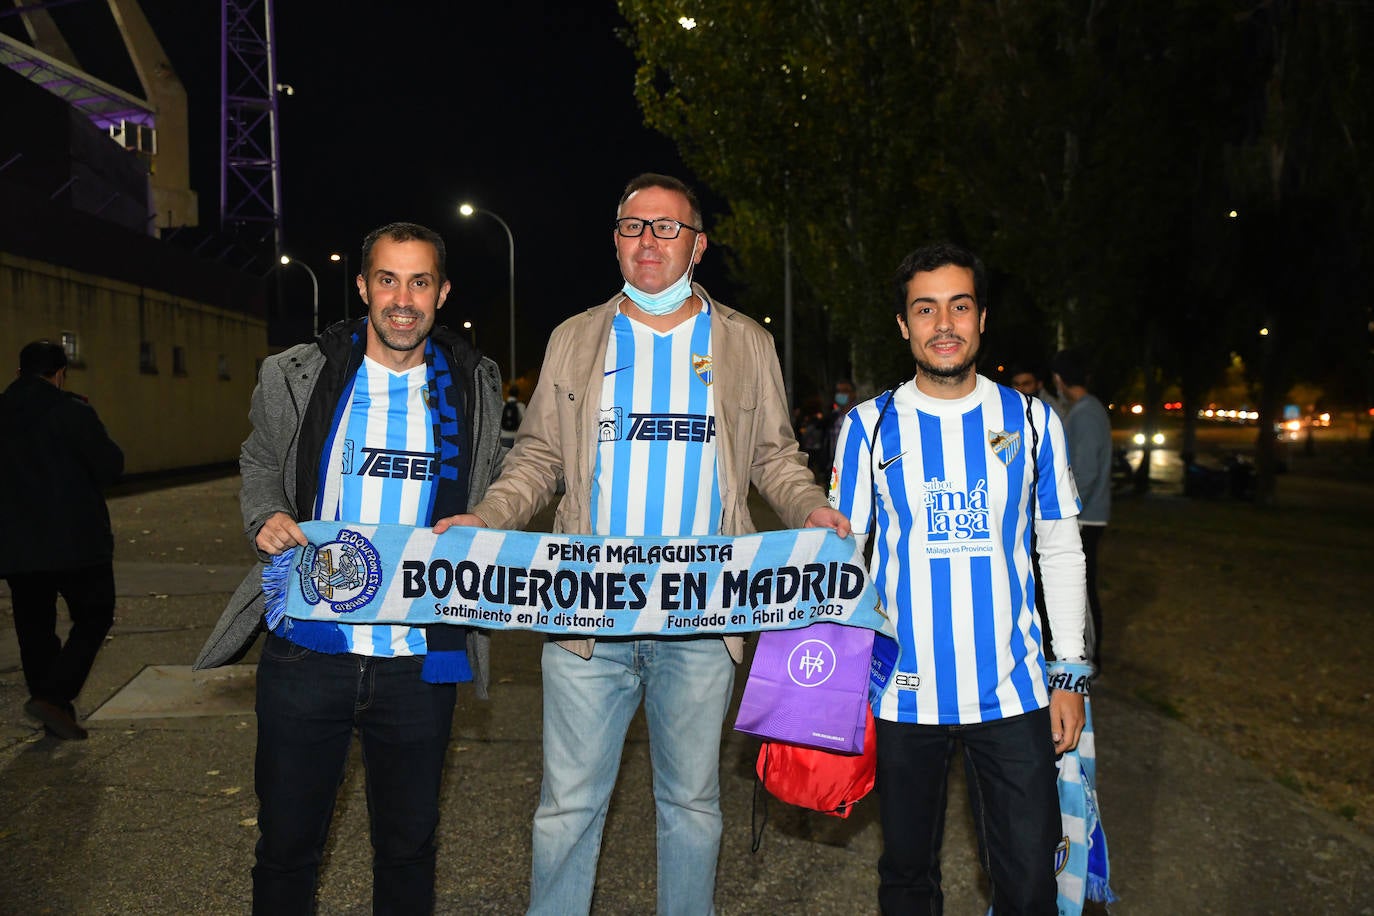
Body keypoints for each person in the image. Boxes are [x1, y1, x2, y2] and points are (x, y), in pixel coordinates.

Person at [435, 173, 851, 915]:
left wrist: (812, 509)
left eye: (667, 228)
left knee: (690, 805)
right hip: (587, 620)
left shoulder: (744, 342)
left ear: (698, 245)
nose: (648, 241)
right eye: (633, 226)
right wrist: (489, 517)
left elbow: (775, 458)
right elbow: (537, 459)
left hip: (700, 622)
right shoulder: (576, 337)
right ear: (615, 239)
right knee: (567, 807)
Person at [201, 222, 505, 914]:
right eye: (389, 280)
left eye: (420, 281)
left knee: (406, 852)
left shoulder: (474, 386)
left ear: (443, 292)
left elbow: (503, 483)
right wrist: (265, 514)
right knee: (285, 849)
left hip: (419, 661)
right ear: (363, 286)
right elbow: (257, 462)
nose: (404, 299)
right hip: (308, 654)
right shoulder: (296, 372)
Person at [829, 243, 1089, 914]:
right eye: (925, 308)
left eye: (959, 306)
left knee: (1029, 881)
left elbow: (1059, 549)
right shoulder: (866, 427)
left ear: (981, 319)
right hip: (901, 696)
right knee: (908, 878)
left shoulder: (1033, 422)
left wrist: (1070, 674)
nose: (943, 323)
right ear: (903, 325)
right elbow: (840, 561)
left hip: (1013, 691)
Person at [0, 340, 123, 741]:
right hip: (77, 541)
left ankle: (53, 707)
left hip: (17, 543)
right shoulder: (71, 411)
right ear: (59, 373)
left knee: (34, 627)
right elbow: (109, 465)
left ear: (19, 373)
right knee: (94, 615)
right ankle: (54, 697)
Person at [1053, 348, 1112, 669]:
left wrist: (1069, 513)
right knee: (1084, 588)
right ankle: (1088, 657)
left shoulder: (1086, 413)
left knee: (1083, 592)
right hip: (1086, 515)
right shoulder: (1087, 410)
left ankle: (1089, 660)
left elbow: (1085, 472)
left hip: (1085, 517)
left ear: (1059, 380)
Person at [500, 383, 526, 450]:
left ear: (508, 393)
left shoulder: (502, 404)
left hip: (503, 436)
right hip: (514, 437)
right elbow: (524, 422)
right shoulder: (521, 406)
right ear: (518, 394)